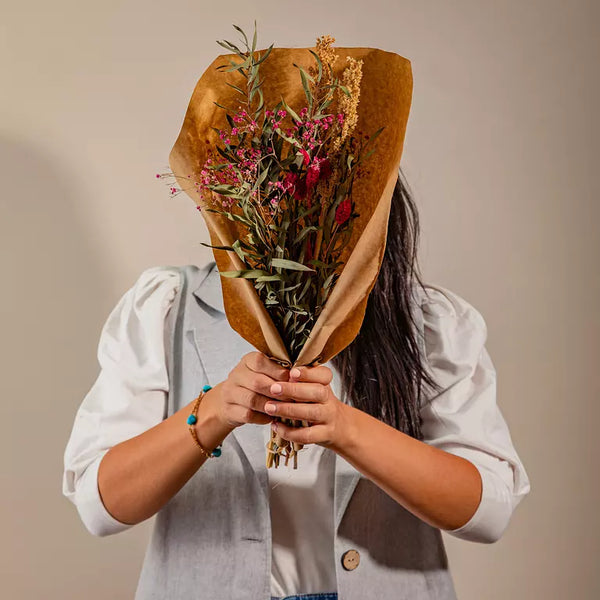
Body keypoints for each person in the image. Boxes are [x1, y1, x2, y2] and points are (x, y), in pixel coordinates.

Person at [62, 170, 531, 600]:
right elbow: (99, 505)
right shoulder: (165, 307)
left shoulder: (424, 320)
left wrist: (344, 428)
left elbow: (488, 512)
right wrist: (218, 409)